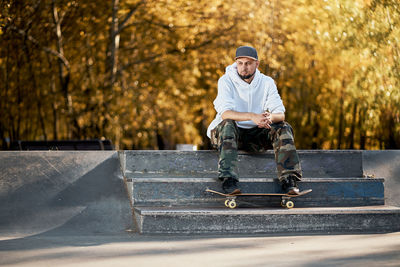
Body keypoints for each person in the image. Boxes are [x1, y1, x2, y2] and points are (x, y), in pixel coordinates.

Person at [207, 45, 302, 195]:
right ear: (236, 63)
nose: (244, 68)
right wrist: (252, 116)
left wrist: (269, 118)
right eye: (240, 63)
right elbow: (225, 113)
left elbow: (280, 114)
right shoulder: (225, 81)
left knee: (283, 127)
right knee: (228, 124)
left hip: (255, 136)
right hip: (227, 137)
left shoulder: (267, 82)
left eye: (248, 63)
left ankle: (289, 180)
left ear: (257, 64)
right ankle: (228, 180)